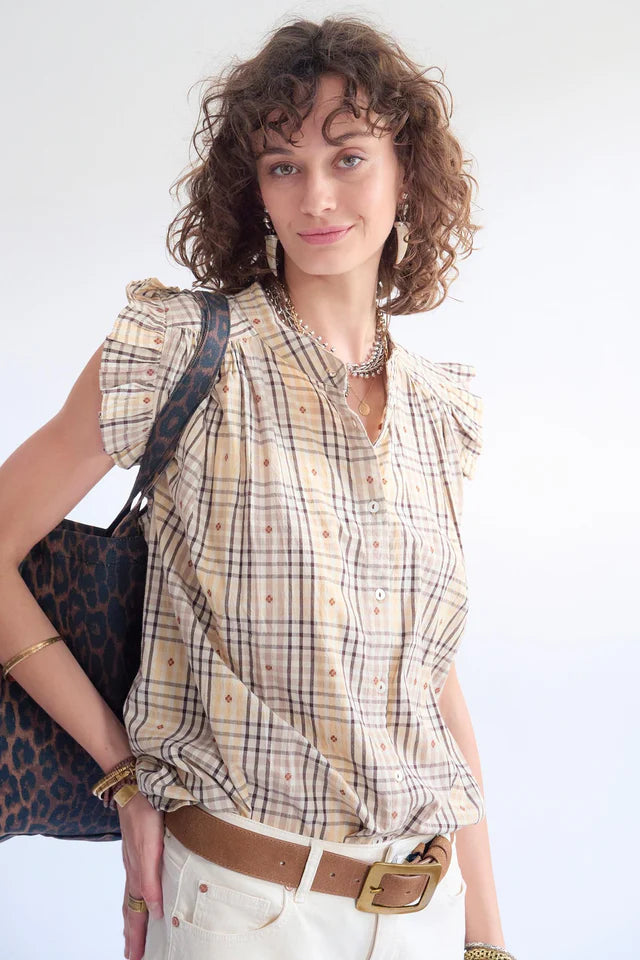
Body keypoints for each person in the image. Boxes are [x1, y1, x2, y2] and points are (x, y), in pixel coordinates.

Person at [0, 15, 515, 960]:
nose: (316, 195)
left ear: (406, 173)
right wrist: (122, 772)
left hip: (427, 908)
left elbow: (432, 685)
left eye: (348, 157)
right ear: (255, 190)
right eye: (284, 166)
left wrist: (485, 936)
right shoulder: (181, 352)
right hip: (246, 910)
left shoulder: (443, 413)